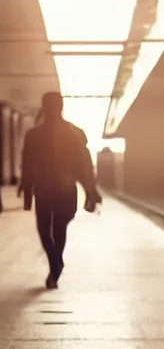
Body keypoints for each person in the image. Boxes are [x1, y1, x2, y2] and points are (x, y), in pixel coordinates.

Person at [18, 92, 101, 289]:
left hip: (46, 188)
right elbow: (84, 166)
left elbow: (27, 165)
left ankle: (55, 263)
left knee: (46, 228)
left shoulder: (34, 135)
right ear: (61, 106)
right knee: (58, 227)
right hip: (64, 188)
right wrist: (90, 189)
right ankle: (56, 263)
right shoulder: (75, 133)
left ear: (44, 107)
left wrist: (27, 188)